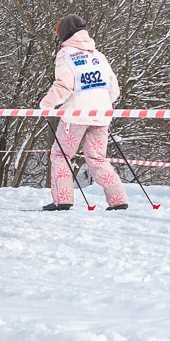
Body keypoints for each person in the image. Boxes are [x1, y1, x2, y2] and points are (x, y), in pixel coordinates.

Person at [39, 13, 127, 211]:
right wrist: (101, 103)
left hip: (75, 116)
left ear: (63, 34)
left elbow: (64, 85)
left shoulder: (66, 54)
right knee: (97, 159)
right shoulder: (98, 55)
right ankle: (118, 199)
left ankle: (63, 200)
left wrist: (46, 105)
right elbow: (114, 88)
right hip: (102, 114)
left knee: (61, 155)